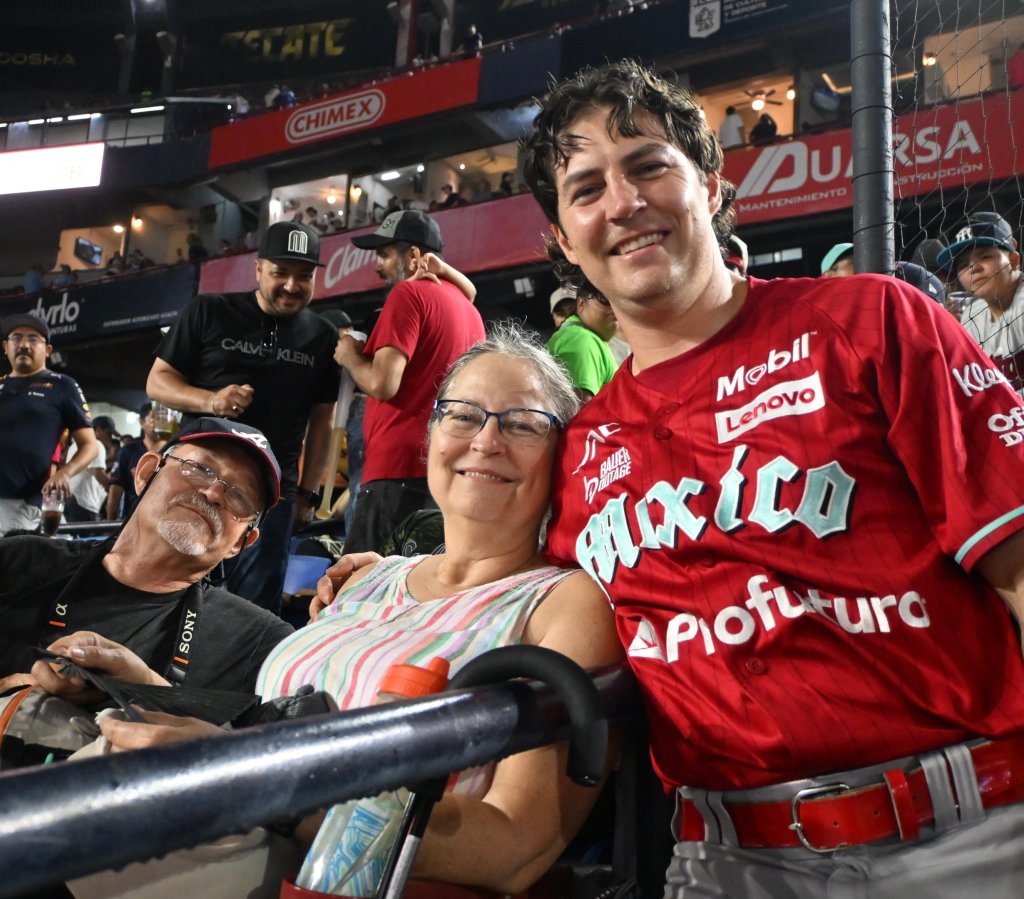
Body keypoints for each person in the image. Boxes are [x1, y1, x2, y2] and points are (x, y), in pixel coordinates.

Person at [522, 59, 1024, 897]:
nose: (624, 202)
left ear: (711, 187)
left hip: (968, 837)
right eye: (586, 188)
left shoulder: (870, 320)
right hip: (726, 861)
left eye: (649, 165)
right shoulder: (581, 450)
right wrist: (386, 586)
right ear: (565, 244)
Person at [52, 327, 622, 897]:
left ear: (564, 454)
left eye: (522, 423)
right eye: (463, 415)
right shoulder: (370, 578)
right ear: (432, 437)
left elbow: (513, 847)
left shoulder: (567, 602)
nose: (486, 440)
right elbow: (280, 723)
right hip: (232, 834)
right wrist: (147, 689)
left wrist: (246, 782)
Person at [1, 417, 292, 694]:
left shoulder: (258, 642)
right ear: (145, 473)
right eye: (201, 468)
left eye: (239, 497)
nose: (215, 492)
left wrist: (149, 695)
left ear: (242, 542)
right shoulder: (19, 561)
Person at [147, 221, 340, 614]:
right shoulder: (209, 310)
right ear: (258, 269)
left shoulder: (322, 335)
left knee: (251, 609)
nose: (291, 285)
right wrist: (212, 401)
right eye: (280, 273)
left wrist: (306, 494)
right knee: (167, 586)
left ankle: (236, 676)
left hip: (271, 493)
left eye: (303, 276)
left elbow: (322, 422)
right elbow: (158, 382)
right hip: (194, 479)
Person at [334, 210, 484, 554]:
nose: (378, 265)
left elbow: (383, 383)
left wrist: (349, 355)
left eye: (385, 254)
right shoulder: (468, 308)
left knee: (361, 593)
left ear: (414, 256)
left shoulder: (408, 295)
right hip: (446, 468)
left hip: (395, 471)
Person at [0, 313, 97, 536]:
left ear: (48, 350)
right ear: (6, 346)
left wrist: (64, 473)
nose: (23, 345)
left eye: (33, 339)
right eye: (16, 338)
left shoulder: (62, 385)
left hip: (26, 502)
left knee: (12, 564)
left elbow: (89, 445)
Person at [937, 211, 1023, 395]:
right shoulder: (971, 318)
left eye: (985, 257)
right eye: (962, 265)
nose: (973, 268)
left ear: (1014, 260)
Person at [546, 286, 619, 401]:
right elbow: (580, 412)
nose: (615, 307)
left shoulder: (586, 336)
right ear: (581, 304)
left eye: (617, 299)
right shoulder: (580, 339)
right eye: (604, 299)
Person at [106, 402, 167, 521]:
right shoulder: (128, 451)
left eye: (163, 419)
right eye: (154, 418)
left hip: (165, 521)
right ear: (142, 423)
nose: (160, 423)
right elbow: (116, 489)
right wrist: (110, 523)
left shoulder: (176, 451)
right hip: (133, 520)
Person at [64, 415, 118, 522]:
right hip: (84, 503)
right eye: (109, 434)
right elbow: (98, 474)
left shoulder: (76, 445)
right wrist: (115, 486)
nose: (111, 438)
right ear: (98, 430)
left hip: (71, 500)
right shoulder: (96, 444)